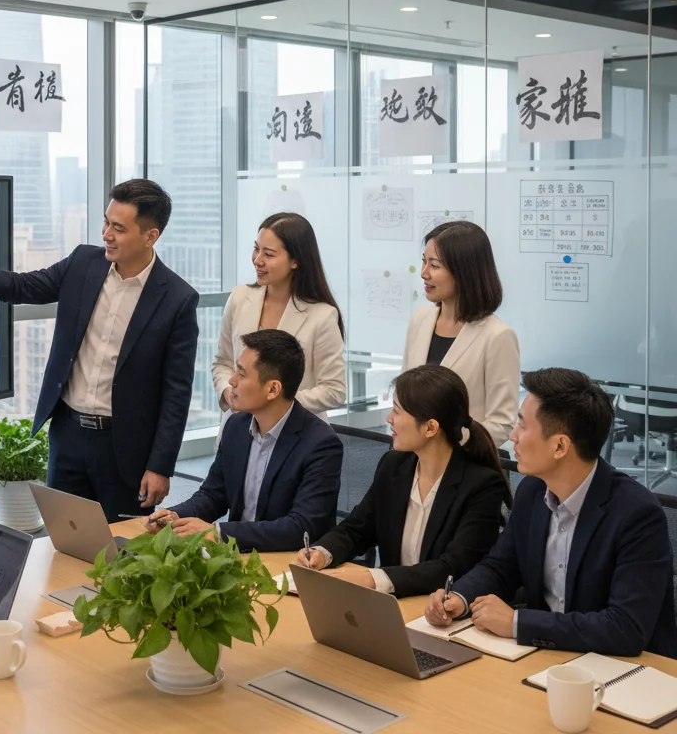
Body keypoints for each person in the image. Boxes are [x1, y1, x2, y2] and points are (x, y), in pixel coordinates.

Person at [0, 179, 198, 523]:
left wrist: (160, 466)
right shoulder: (83, 263)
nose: (106, 235)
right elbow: (23, 286)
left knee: (124, 546)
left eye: (118, 228)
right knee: (66, 539)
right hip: (68, 435)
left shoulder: (177, 299)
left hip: (125, 447)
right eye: (106, 223)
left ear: (150, 236)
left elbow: (177, 392)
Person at [425, 368, 677, 658]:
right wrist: (459, 598)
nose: (513, 436)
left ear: (559, 446)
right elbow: (501, 566)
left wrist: (517, 622)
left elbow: (625, 629)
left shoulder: (637, 514)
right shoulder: (532, 491)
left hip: (624, 670)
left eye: (522, 425)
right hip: (547, 658)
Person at [293, 365, 510, 597]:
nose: (389, 418)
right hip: (393, 604)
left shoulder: (482, 486)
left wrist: (373, 578)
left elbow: (452, 568)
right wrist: (322, 552)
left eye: (397, 411)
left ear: (430, 428)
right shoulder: (394, 465)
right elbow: (357, 528)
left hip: (442, 608)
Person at [144, 329, 343, 553]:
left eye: (241, 374)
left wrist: (218, 533)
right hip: (237, 557)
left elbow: (301, 527)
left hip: (288, 560)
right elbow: (213, 495)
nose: (231, 381)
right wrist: (174, 516)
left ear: (273, 389)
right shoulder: (236, 426)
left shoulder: (321, 444)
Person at [213, 213, 345, 436]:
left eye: (269, 254)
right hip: (238, 430)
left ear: (295, 261)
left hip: (296, 436)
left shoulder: (322, 316)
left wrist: (273, 404)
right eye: (256, 249)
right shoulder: (239, 298)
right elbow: (223, 362)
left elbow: (334, 390)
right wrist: (229, 392)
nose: (258, 260)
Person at [402, 221, 518, 449]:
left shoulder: (498, 336)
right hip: (416, 456)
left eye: (435, 265)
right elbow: (404, 395)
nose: (424, 273)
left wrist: (447, 443)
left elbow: (501, 423)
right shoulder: (420, 320)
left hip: (465, 460)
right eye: (424, 262)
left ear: (464, 271)